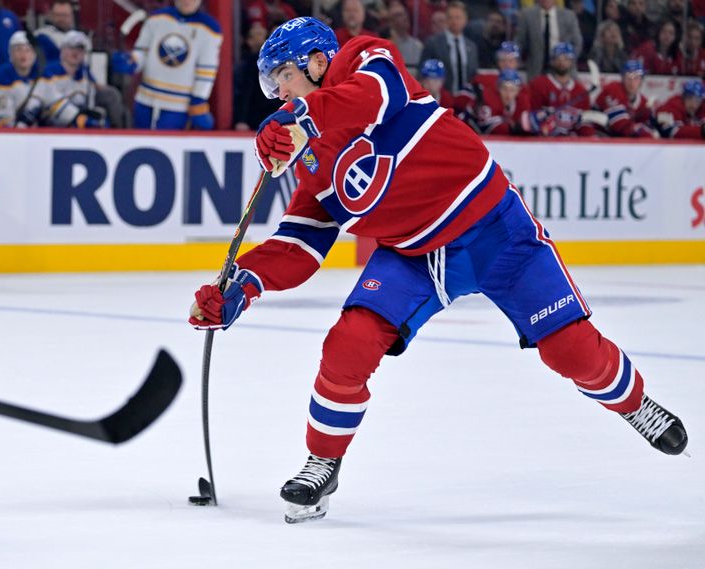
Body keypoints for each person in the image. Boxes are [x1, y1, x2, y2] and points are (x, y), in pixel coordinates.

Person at [188, 17, 689, 524]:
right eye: (273, 87)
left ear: (318, 63)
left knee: (573, 352)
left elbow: (374, 97)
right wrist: (241, 286)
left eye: (284, 78)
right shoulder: (312, 159)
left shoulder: (364, 58)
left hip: (497, 234)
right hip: (413, 258)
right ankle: (324, 461)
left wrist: (302, 114)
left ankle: (634, 404)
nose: (279, 95)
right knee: (349, 343)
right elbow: (300, 244)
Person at [112, 0, 222, 130]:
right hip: (145, 99)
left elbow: (207, 68)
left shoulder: (209, 28)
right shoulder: (156, 18)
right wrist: (132, 62)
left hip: (179, 106)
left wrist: (199, 98)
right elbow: (142, 52)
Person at [0, 31, 99, 128]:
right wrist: (14, 128)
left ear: (34, 54)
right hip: (8, 134)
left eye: (28, 50)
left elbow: (55, 102)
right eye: (18, 49)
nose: (23, 54)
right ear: (10, 53)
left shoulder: (40, 76)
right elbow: (2, 114)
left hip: (33, 132)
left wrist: (79, 119)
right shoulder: (2, 75)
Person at [43, 30, 126, 127]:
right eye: (71, 47)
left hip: (81, 122)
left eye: (80, 49)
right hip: (55, 123)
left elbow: (94, 92)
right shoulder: (50, 71)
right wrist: (80, 119)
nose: (75, 52)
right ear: (63, 50)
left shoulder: (84, 73)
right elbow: (51, 102)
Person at [527, 42, 596, 136]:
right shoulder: (538, 85)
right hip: (545, 140)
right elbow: (531, 116)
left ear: (572, 62)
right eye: (558, 58)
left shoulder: (581, 91)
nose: (562, 62)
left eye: (566, 59)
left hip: (572, 141)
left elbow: (585, 123)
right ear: (552, 61)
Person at [420, 1, 479, 94]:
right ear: (446, 20)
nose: (454, 21)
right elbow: (421, 73)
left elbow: (474, 75)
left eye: (458, 17)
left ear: (465, 20)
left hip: (467, 98)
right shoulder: (433, 43)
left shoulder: (472, 47)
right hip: (440, 98)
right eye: (450, 17)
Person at [516, 0, 583, 79]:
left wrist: (567, 60)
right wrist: (514, 59)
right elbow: (519, 41)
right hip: (537, 70)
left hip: (564, 70)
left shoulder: (569, 15)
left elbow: (577, 43)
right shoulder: (527, 15)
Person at [594, 59, 656, 137]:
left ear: (641, 81)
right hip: (596, 135)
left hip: (616, 138)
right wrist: (643, 131)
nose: (632, 82)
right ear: (623, 78)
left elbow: (649, 125)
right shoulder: (613, 89)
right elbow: (620, 126)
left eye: (636, 78)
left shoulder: (644, 102)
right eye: (628, 78)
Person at [476, 69, 532, 134]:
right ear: (498, 88)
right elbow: (484, 127)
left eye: (512, 90)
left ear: (518, 91)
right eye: (504, 89)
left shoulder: (522, 104)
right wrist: (511, 128)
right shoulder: (490, 102)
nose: (508, 93)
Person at [385, 1, 422, 75]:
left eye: (405, 14)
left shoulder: (418, 45)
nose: (405, 18)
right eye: (399, 15)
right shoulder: (385, 46)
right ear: (391, 21)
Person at [34, 0, 76, 65]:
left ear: (72, 16)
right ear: (52, 15)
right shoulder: (40, 34)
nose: (61, 19)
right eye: (58, 15)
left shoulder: (81, 37)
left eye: (65, 15)